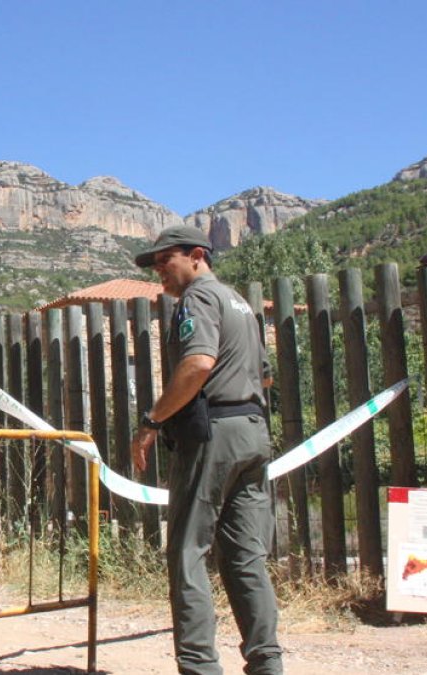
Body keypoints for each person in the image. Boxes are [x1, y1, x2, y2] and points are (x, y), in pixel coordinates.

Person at [130, 225, 283, 675]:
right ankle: (266, 664)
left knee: (186, 552)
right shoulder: (240, 304)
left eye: (166, 259)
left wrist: (152, 422)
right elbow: (267, 376)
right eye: (155, 263)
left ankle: (199, 667)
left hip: (214, 434)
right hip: (253, 432)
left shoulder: (197, 299)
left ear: (197, 255)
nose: (159, 268)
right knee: (245, 556)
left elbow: (198, 364)